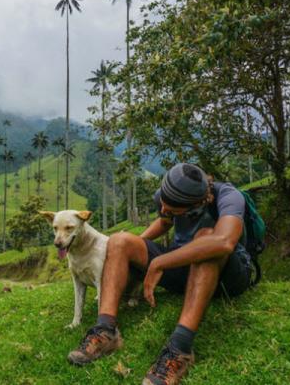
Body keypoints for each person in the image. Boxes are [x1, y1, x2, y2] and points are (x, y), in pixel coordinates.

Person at [67, 163, 252, 385]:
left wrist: (160, 263)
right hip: (183, 270)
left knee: (206, 238)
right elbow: (164, 222)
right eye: (163, 203)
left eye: (173, 210)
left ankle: (179, 349)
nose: (164, 209)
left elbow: (224, 242)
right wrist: (129, 251)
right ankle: (105, 331)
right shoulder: (166, 198)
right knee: (120, 240)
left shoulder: (229, 196)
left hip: (229, 276)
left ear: (195, 206)